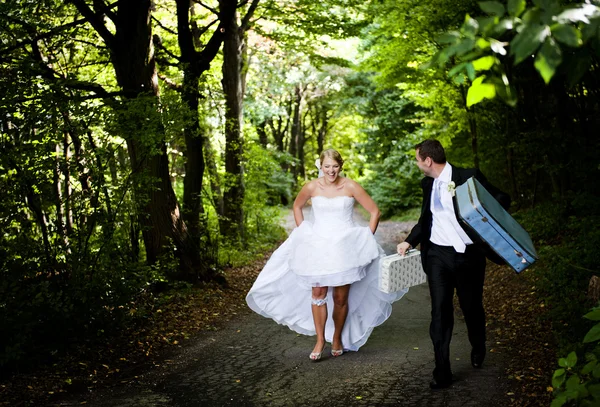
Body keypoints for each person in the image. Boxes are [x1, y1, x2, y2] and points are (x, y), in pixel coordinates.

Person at [246, 149, 406, 360]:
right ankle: (320, 340)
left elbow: (374, 211)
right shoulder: (312, 186)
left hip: (345, 248)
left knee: (340, 297)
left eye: (335, 166)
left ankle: (337, 337)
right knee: (318, 294)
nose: (331, 171)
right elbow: (297, 206)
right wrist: (303, 232)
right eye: (327, 167)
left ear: (341, 166)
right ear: (320, 166)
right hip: (317, 247)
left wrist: (367, 237)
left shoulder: (350, 186)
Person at [397, 139, 510, 389]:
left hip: (468, 256)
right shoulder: (427, 184)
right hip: (437, 256)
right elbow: (426, 218)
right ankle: (442, 372)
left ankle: (478, 345)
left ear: (428, 160)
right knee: (439, 311)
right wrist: (409, 241)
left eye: (417, 159)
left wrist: (491, 217)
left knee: (471, 308)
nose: (417, 164)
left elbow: (500, 198)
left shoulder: (468, 176)